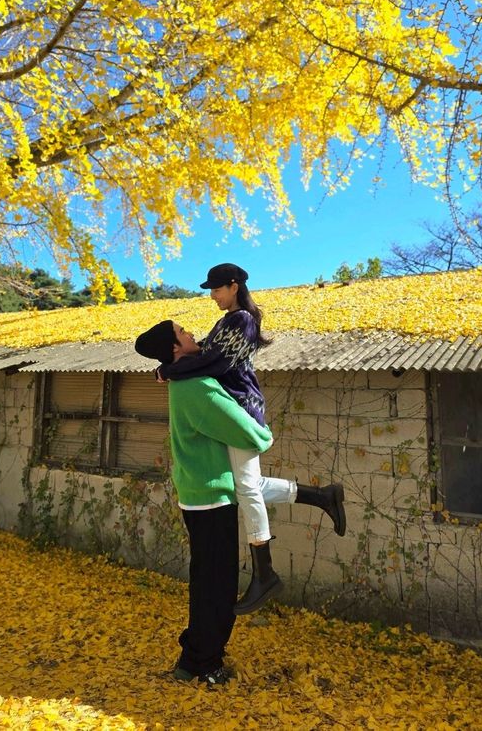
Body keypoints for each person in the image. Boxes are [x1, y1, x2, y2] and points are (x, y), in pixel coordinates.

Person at [149, 263, 346, 616]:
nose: (212, 296)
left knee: (248, 488)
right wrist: (168, 367)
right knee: (248, 484)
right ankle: (321, 496)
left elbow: (216, 362)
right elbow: (204, 352)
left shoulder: (243, 320)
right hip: (232, 406)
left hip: (242, 408)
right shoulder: (227, 321)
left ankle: (264, 572)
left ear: (234, 285)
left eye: (216, 289)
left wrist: (170, 369)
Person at [135, 319, 273, 685]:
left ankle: (194, 657)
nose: (191, 334)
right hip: (212, 500)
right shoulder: (197, 387)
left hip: (199, 496)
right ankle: (205, 664)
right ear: (175, 349)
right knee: (218, 587)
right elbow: (249, 434)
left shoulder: (182, 381)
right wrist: (265, 434)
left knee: (206, 583)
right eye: (182, 332)